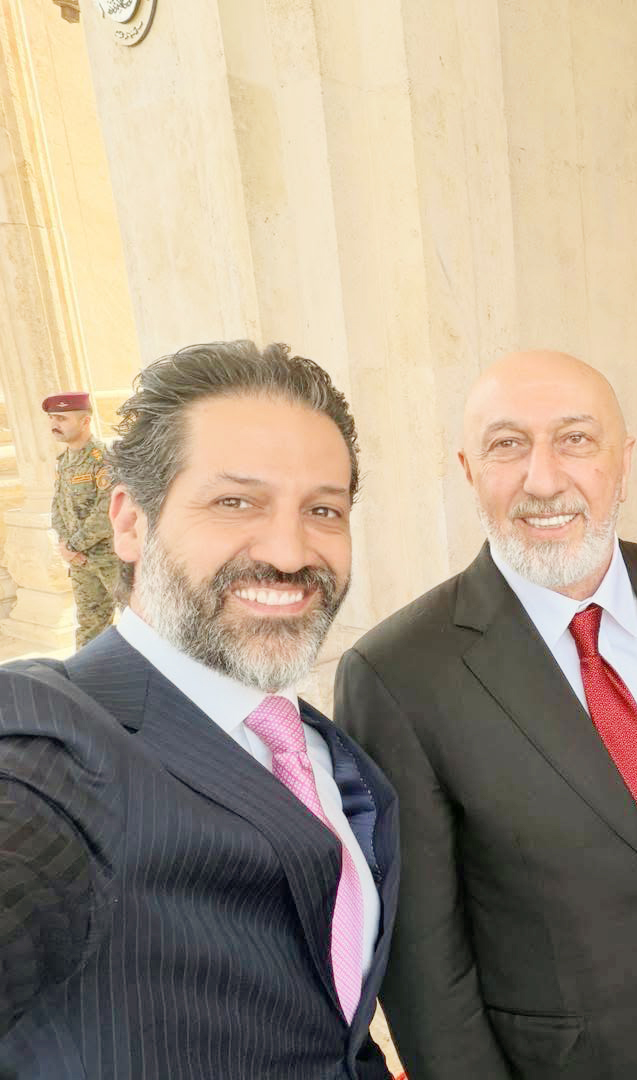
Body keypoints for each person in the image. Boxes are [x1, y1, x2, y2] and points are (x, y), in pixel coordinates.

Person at [335, 350, 637, 1080]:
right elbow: (424, 968)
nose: (543, 479)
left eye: (576, 439)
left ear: (624, 460)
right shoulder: (395, 675)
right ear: (468, 470)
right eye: (507, 444)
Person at [0, 342, 398, 1078]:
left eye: (323, 510)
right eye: (235, 502)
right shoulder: (48, 749)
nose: (289, 552)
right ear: (129, 522)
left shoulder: (322, 750)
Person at [44, 392, 120, 647]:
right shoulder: (64, 461)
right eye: (52, 418)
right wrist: (66, 545)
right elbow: (58, 506)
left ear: (85, 421)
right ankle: (87, 671)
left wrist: (73, 546)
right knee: (89, 627)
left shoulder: (104, 458)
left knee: (139, 621)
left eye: (62, 418)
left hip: (111, 559)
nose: (54, 424)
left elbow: (107, 511)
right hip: (80, 562)